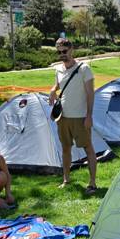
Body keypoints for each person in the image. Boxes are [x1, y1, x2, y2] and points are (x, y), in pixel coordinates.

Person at [49, 38, 97, 195]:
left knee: (88, 148)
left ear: (71, 50)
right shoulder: (58, 70)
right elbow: (58, 85)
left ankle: (92, 183)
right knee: (65, 149)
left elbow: (90, 94)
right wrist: (52, 90)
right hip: (63, 117)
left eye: (65, 51)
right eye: (59, 52)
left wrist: (89, 115)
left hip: (81, 117)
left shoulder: (84, 69)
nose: (62, 54)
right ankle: (66, 180)